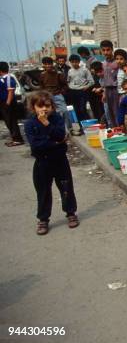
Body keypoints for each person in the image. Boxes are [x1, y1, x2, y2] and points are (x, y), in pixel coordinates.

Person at [24, 90, 79, 235]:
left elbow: (61, 135)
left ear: (52, 106)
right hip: (42, 162)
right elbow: (35, 145)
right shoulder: (30, 123)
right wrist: (55, 143)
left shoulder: (56, 119)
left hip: (60, 161)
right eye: (40, 106)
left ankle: (71, 213)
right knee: (43, 192)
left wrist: (47, 124)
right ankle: (43, 219)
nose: (44, 109)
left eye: (47, 106)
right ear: (33, 107)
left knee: (66, 188)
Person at [40, 56, 70, 130]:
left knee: (64, 111)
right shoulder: (42, 75)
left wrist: (61, 92)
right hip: (47, 97)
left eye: (49, 64)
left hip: (57, 95)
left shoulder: (58, 74)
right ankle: (53, 129)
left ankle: (68, 129)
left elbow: (65, 85)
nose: (47, 66)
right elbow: (41, 87)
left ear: (52, 64)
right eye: (45, 64)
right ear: (43, 65)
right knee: (50, 114)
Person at [0, 61, 25, 146]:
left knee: (11, 121)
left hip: (8, 103)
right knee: (8, 121)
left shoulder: (8, 79)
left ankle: (17, 139)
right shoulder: (3, 78)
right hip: (4, 103)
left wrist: (7, 104)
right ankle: (14, 138)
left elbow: (10, 92)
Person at [67, 54, 94, 123]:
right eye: (72, 62)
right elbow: (68, 81)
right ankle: (80, 125)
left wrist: (86, 87)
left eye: (76, 62)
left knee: (82, 109)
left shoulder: (85, 70)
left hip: (82, 92)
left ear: (79, 62)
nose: (74, 63)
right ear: (70, 62)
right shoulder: (70, 71)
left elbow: (91, 81)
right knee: (76, 109)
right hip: (73, 92)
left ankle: (87, 124)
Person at [100, 40, 119, 127]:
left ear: (112, 50)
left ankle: (120, 130)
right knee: (109, 112)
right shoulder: (103, 64)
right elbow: (104, 79)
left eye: (108, 50)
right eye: (103, 50)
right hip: (107, 90)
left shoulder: (117, 62)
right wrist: (104, 93)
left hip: (116, 89)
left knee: (116, 111)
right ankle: (114, 130)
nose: (106, 52)